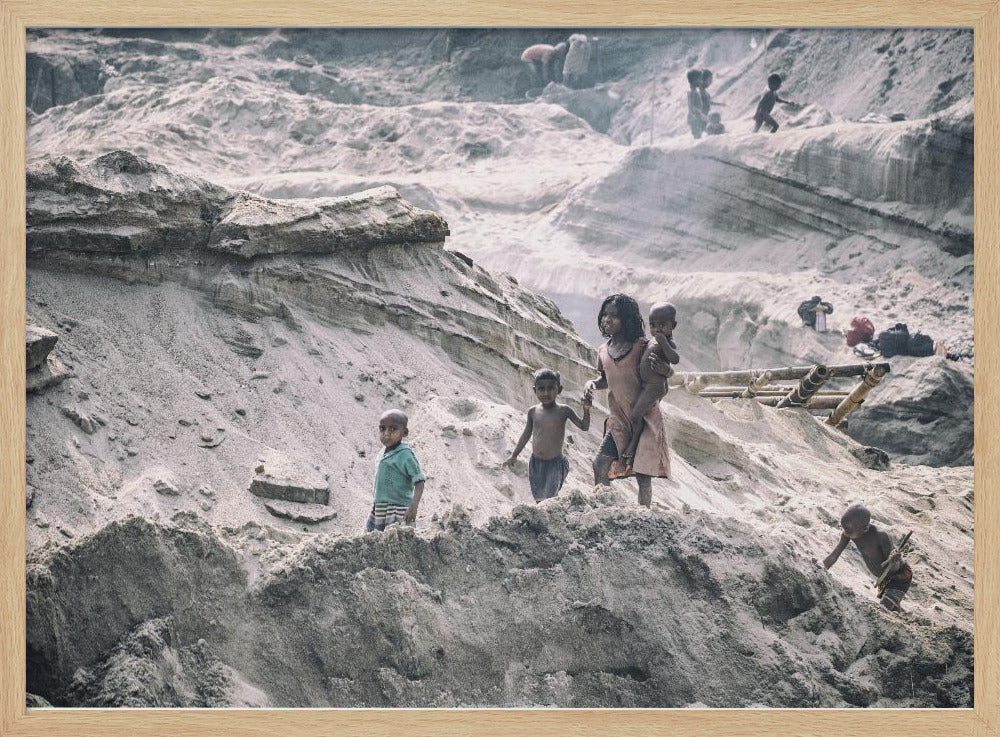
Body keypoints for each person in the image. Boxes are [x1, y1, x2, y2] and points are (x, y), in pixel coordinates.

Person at [585, 295, 673, 507]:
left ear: (628, 319)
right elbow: (606, 379)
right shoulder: (603, 351)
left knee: (643, 476)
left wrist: (668, 371)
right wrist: (593, 384)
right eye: (605, 314)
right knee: (600, 464)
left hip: (645, 419)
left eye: (615, 316)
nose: (607, 319)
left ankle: (644, 515)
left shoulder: (642, 347)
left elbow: (661, 380)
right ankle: (604, 509)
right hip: (619, 421)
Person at [502, 368, 591, 502]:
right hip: (536, 463)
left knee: (549, 500)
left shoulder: (564, 410)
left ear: (559, 389)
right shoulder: (533, 412)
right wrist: (514, 455)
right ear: (535, 390)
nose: (546, 393)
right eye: (541, 389)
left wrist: (586, 410)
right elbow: (526, 435)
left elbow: (584, 426)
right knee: (539, 499)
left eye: (551, 388)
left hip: (554, 464)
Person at [617, 303, 680, 475]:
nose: (657, 329)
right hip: (647, 385)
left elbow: (675, 358)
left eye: (662, 325)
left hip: (655, 386)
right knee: (638, 414)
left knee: (636, 415)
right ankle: (636, 445)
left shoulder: (667, 341)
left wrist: (662, 342)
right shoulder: (652, 339)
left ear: (672, 326)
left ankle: (633, 444)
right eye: (653, 325)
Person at [823, 504, 913, 611]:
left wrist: (893, 560)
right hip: (883, 579)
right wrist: (821, 569)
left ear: (865, 529)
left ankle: (895, 606)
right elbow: (834, 555)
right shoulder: (849, 534)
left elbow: (893, 568)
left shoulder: (880, 536)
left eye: (849, 530)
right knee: (890, 606)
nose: (845, 533)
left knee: (883, 608)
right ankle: (899, 610)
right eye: (844, 529)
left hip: (900, 576)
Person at [365, 409, 426, 532]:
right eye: (382, 429)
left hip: (397, 509)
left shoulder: (406, 455)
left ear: (404, 432)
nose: (386, 434)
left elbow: (419, 481)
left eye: (393, 429)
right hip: (380, 508)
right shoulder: (382, 453)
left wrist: (413, 507)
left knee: (396, 542)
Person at [686, 69, 707, 139]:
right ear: (695, 80)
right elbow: (692, 106)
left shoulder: (694, 91)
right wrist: (701, 114)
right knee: (697, 137)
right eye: (700, 79)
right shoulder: (692, 92)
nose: (701, 81)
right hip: (695, 118)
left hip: (697, 117)